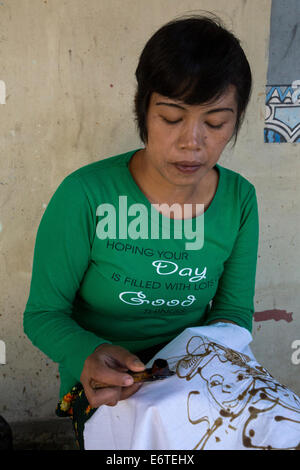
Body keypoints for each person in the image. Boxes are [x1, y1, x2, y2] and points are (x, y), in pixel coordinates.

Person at [23, 14, 258, 449]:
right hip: (101, 387)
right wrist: (86, 355)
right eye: (171, 118)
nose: (192, 141)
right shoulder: (86, 195)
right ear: (143, 110)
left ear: (237, 120)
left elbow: (233, 316)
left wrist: (197, 372)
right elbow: (42, 314)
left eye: (216, 122)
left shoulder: (240, 199)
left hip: (191, 377)